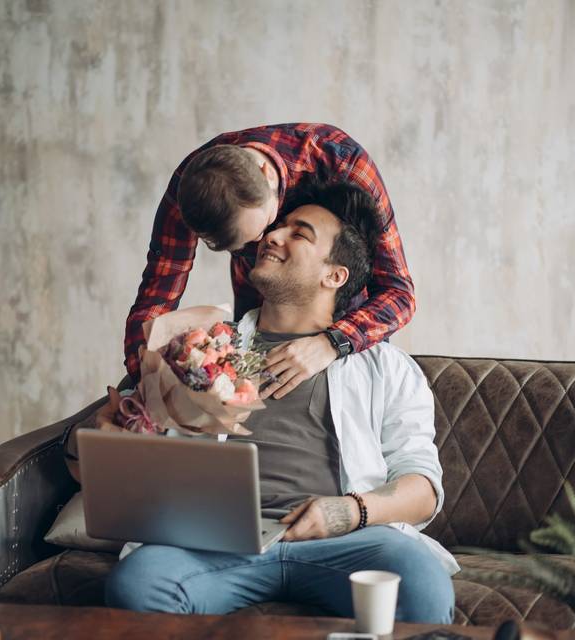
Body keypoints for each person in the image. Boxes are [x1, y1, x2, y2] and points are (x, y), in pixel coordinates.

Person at [101, 180, 457, 623]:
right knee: (138, 582)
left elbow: (422, 488)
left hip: (345, 542)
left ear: (335, 275)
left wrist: (350, 511)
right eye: (277, 227)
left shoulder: (386, 367)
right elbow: (127, 449)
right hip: (214, 545)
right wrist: (106, 434)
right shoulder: (200, 347)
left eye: (299, 233)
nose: (272, 236)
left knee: (420, 581)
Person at [124, 123, 417, 400]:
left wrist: (332, 343)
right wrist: (149, 390)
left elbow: (399, 293)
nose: (268, 240)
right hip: (256, 317)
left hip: (350, 327)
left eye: (266, 226)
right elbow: (154, 302)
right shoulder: (192, 188)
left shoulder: (341, 160)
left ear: (265, 172)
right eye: (245, 246)